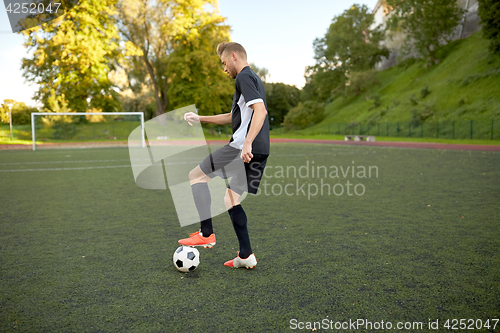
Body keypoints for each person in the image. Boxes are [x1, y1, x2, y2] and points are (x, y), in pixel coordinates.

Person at [178, 42, 270, 269]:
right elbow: (234, 116)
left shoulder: (243, 77)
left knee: (196, 176)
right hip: (261, 149)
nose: (224, 69)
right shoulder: (255, 79)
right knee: (231, 199)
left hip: (242, 147)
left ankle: (206, 233)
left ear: (233, 56)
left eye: (224, 63)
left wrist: (246, 142)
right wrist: (200, 118)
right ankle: (246, 255)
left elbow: (261, 111)